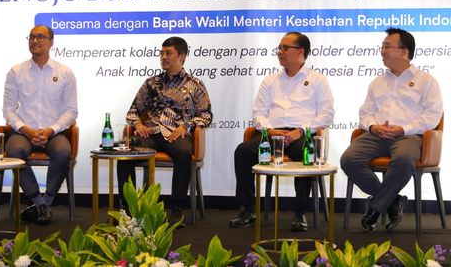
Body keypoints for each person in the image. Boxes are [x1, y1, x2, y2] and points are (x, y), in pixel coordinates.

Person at [229, 32, 335, 232]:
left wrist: (301, 131)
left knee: (303, 154)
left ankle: (299, 213)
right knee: (243, 151)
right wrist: (270, 130)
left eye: (285, 48)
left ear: (300, 52)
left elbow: (327, 115)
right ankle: (248, 210)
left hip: (301, 134)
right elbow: (259, 112)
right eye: (279, 48)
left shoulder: (317, 80)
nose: (280, 52)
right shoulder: (270, 80)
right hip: (272, 133)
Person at [340, 27, 443, 231]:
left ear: (404, 52)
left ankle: (377, 206)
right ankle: (393, 201)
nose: (382, 51)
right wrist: (373, 126)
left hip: (408, 136)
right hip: (376, 135)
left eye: (387, 46)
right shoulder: (377, 82)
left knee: (404, 160)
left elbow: (433, 116)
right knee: (348, 160)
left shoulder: (426, 81)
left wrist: (403, 129)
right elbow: (365, 113)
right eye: (382, 46)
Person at [116, 36, 213, 222]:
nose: (163, 57)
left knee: (184, 152)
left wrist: (186, 126)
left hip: (176, 133)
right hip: (151, 132)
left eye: (169, 53)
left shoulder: (195, 85)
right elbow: (133, 111)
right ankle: (128, 209)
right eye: (162, 53)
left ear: (182, 57)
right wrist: (138, 124)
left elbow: (206, 115)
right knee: (125, 153)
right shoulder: (151, 83)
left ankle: (176, 208)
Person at [3, 24, 78, 224]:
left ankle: (47, 201)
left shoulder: (65, 72)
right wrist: (26, 130)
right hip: (23, 132)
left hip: (53, 132)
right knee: (14, 152)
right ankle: (39, 202)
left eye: (40, 37)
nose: (35, 40)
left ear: (51, 42)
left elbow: (71, 111)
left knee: (63, 152)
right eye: (31, 37)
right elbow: (8, 110)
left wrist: (51, 129)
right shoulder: (16, 72)